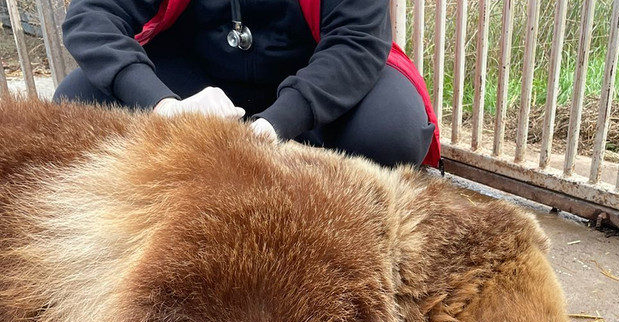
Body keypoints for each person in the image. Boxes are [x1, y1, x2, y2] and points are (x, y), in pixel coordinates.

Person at [54, 0, 438, 168]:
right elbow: (92, 16)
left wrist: (280, 121)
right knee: (77, 101)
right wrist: (163, 106)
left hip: (316, 85)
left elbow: (357, 40)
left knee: (393, 128)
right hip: (193, 89)